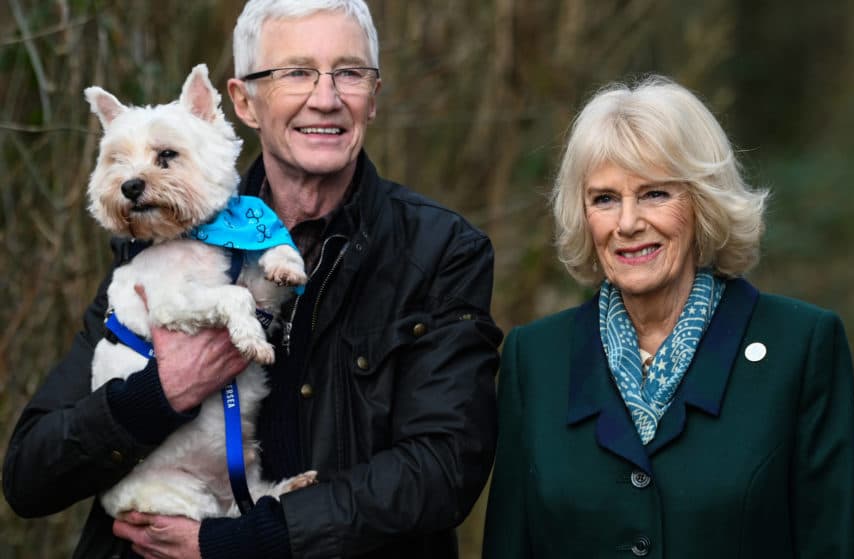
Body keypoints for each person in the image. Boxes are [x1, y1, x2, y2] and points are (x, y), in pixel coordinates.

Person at [2, 1, 502, 557]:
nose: (326, 97)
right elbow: (30, 474)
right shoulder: (161, 240)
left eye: (349, 72)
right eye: (296, 72)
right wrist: (161, 393)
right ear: (244, 102)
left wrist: (240, 542)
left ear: (374, 97)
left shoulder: (440, 252)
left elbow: (443, 469)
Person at [482, 75, 854, 558]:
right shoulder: (534, 359)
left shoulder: (802, 347)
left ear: (702, 202)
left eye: (654, 194)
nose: (627, 223)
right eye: (604, 198)